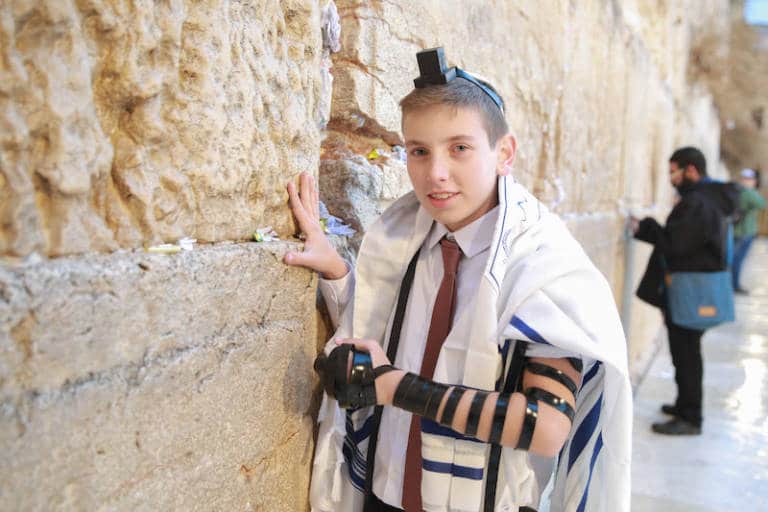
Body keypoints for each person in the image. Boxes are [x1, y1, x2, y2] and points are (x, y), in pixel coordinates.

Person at [285, 48, 632, 512]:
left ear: (504, 153)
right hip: (384, 492)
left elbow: (547, 427)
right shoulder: (406, 237)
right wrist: (336, 270)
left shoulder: (542, 266)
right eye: (419, 152)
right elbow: (394, 332)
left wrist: (395, 388)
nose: (436, 173)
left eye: (460, 148)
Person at [632, 147, 737, 436]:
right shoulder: (707, 199)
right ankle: (684, 405)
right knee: (686, 352)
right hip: (694, 290)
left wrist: (646, 227)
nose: (671, 179)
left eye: (674, 172)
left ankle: (690, 417)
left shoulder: (698, 203)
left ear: (691, 170)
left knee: (687, 353)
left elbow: (675, 245)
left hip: (692, 291)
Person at [731, 168, 766, 294]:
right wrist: (753, 190)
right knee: (738, 259)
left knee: (735, 258)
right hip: (744, 231)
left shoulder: (736, 191)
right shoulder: (748, 193)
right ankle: (734, 285)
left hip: (736, 230)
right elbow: (762, 204)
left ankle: (733, 284)